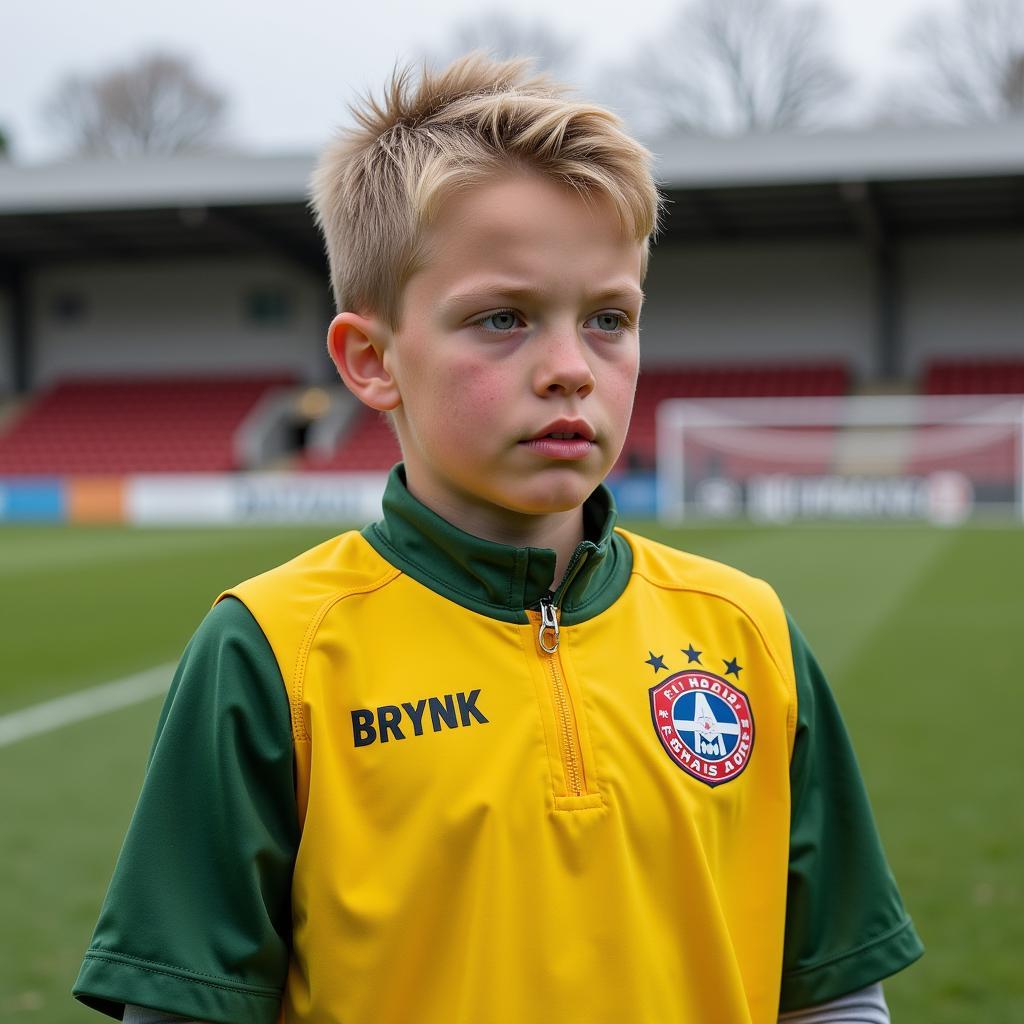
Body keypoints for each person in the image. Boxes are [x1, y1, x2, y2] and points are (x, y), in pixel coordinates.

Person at [73, 54, 922, 1024]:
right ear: (372, 359)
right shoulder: (271, 651)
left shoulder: (746, 633)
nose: (569, 368)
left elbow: (832, 995)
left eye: (608, 318)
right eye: (503, 318)